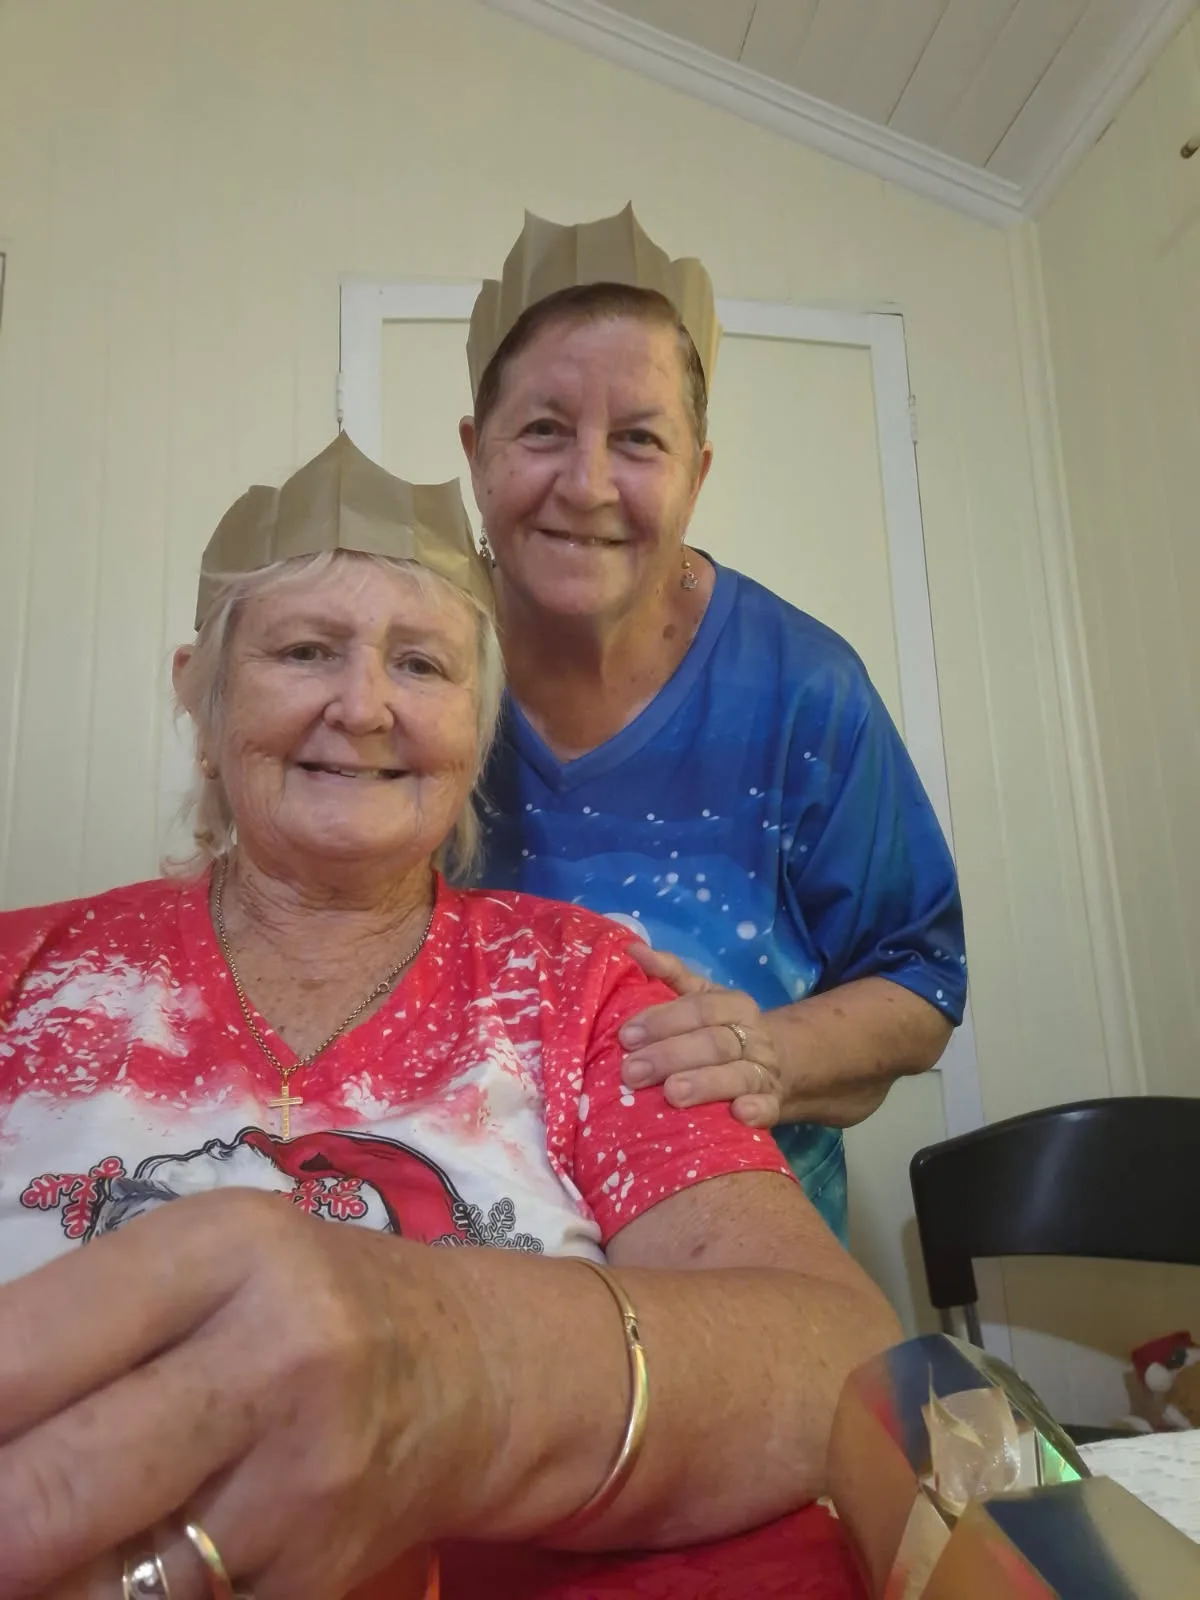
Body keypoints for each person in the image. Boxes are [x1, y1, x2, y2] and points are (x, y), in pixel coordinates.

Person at [0, 434, 899, 1600]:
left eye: (422, 665)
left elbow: (838, 1359)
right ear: (200, 692)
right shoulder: (27, 974)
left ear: (478, 723)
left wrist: (446, 1369)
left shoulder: (575, 985)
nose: (365, 706)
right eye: (307, 649)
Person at [461, 205, 968, 1241]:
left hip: (744, 1272)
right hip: (470, 1280)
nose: (588, 483)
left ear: (697, 470)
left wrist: (769, 1052)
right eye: (544, 428)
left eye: (639, 439)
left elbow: (919, 977)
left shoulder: (802, 688)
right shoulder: (409, 670)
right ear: (477, 453)